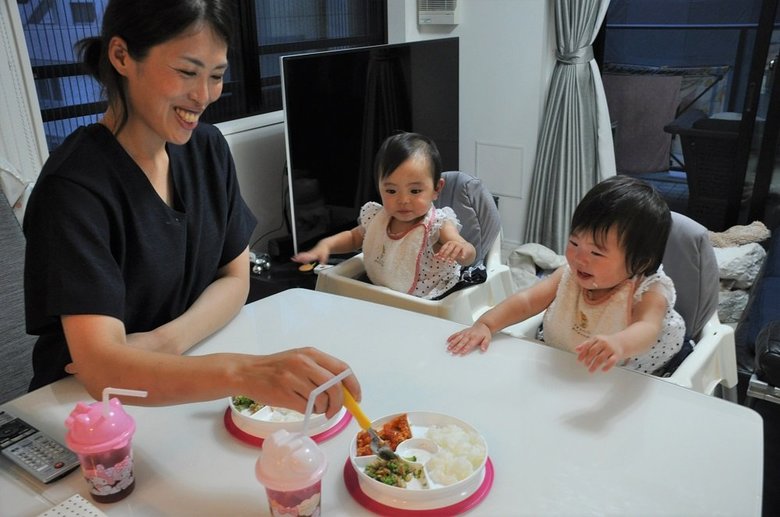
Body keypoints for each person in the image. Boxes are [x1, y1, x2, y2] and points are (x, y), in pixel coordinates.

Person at [23, 0, 359, 416]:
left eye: (216, 76)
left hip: (182, 377)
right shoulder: (75, 187)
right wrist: (242, 373)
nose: (203, 96)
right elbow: (101, 369)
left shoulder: (206, 147)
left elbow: (235, 278)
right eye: (186, 72)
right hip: (84, 411)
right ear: (122, 56)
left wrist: (166, 342)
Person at [447, 175, 685, 375]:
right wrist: (486, 324)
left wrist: (619, 344)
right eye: (574, 242)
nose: (579, 258)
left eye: (596, 253)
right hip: (568, 365)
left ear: (639, 263)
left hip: (633, 367)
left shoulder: (649, 289)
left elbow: (647, 328)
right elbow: (527, 301)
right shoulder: (570, 275)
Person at [292, 132, 477, 299]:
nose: (403, 200)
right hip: (382, 294)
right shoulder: (377, 218)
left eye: (414, 190)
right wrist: (327, 245)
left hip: (429, 298)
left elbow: (468, 253)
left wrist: (461, 250)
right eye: (391, 190)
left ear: (436, 189)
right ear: (379, 188)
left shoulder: (438, 225)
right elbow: (353, 237)